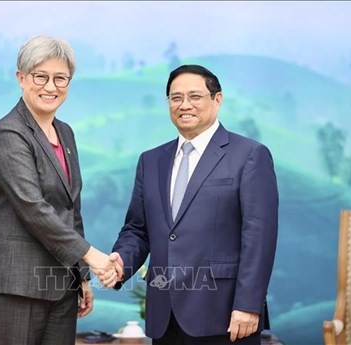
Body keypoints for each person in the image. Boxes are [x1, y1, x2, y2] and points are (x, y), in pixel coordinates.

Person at [109, 64, 278, 345]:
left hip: (226, 317)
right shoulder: (150, 161)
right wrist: (120, 263)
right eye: (176, 98)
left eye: (195, 96)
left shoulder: (249, 155)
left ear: (217, 99)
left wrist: (248, 305)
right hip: (165, 318)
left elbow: (259, 237)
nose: (184, 105)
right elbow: (137, 229)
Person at [0, 35, 117, 345]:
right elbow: (33, 209)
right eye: (41, 76)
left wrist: (81, 276)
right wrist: (92, 256)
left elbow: (70, 208)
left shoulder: (65, 133)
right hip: (14, 287)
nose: (50, 87)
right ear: (21, 78)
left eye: (60, 78)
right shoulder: (8, 133)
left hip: (61, 285)